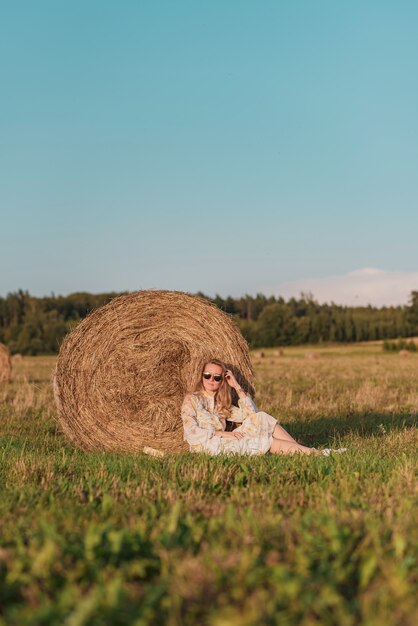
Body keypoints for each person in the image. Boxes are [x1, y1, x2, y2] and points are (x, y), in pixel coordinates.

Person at [181, 358, 345, 456]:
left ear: (222, 380)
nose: (211, 380)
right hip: (209, 446)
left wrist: (237, 386)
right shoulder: (191, 400)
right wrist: (222, 433)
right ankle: (314, 454)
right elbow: (191, 432)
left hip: (225, 439)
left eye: (217, 378)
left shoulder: (220, 403)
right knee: (266, 441)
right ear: (202, 376)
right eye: (207, 375)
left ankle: (302, 452)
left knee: (262, 417)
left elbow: (252, 414)